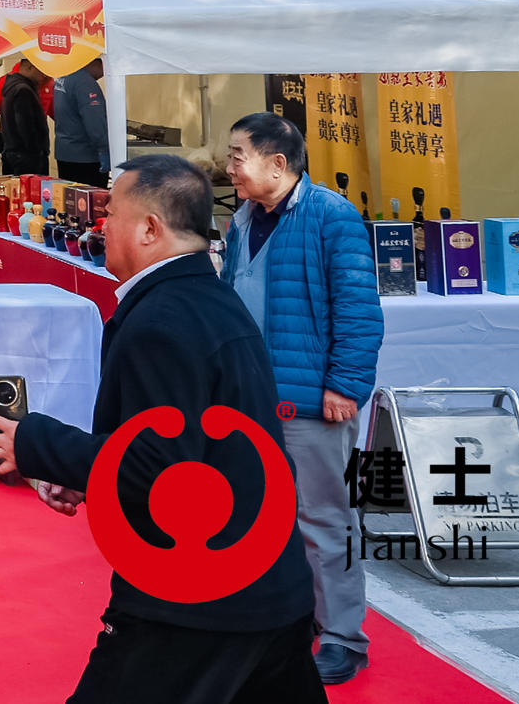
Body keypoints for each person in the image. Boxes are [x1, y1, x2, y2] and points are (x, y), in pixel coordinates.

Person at [0, 155, 324, 704]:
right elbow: (190, 450)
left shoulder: (163, 321)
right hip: (264, 584)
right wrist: (88, 475)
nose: (101, 225)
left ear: (148, 228)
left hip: (197, 597)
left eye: (112, 213)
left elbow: (160, 471)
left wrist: (35, 443)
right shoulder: (208, 300)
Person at [220, 113, 385, 688]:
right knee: (265, 516)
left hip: (311, 401)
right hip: (253, 398)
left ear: (278, 163)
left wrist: (345, 385)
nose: (229, 167)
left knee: (324, 518)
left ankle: (343, 637)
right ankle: (293, 618)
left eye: (238, 156)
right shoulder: (243, 219)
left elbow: (359, 310)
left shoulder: (331, 216)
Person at [53, 59, 110, 186]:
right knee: (89, 197)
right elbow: (95, 121)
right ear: (95, 62)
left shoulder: (63, 78)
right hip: (85, 158)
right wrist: (104, 148)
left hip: (65, 153)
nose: (104, 73)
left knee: (69, 195)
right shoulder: (85, 83)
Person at [0, 57, 51, 176]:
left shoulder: (12, 86)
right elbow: (26, 125)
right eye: (41, 70)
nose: (43, 75)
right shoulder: (23, 90)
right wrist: (37, 151)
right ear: (30, 67)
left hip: (13, 153)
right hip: (26, 158)